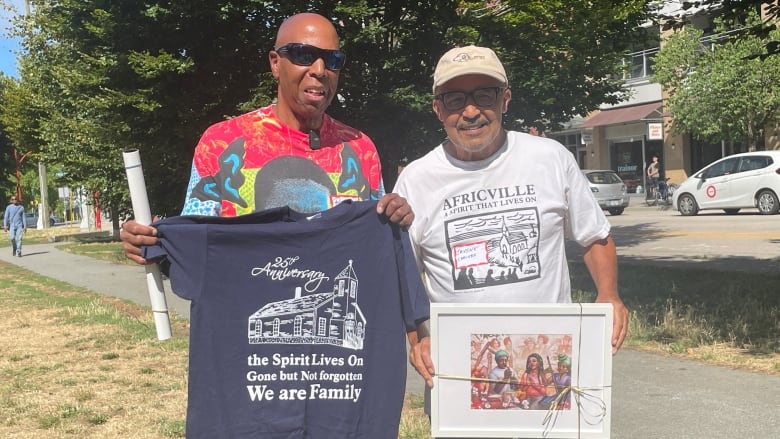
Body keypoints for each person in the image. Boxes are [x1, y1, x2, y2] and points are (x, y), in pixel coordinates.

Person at [395, 46, 629, 389]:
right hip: (460, 372)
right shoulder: (416, 180)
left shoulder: (550, 158)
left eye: (484, 95)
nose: (471, 111)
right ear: (437, 108)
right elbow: (404, 279)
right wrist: (419, 339)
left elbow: (594, 236)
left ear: (505, 99)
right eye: (455, 99)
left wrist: (609, 293)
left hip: (549, 359)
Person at [120, 12, 413, 262]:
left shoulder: (359, 149)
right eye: (303, 55)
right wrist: (152, 241)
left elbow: (376, 244)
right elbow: (195, 242)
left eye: (333, 59)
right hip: (247, 323)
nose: (320, 70)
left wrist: (397, 217)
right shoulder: (222, 145)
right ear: (275, 63)